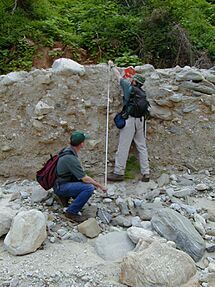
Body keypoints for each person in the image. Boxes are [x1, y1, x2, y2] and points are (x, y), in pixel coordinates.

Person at [107, 60, 150, 182]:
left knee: (123, 147)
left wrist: (112, 66)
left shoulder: (128, 87)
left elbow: (118, 76)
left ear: (135, 81)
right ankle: (146, 173)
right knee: (142, 147)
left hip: (130, 121)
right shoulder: (142, 93)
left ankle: (119, 173)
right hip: (141, 121)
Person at [53, 130, 107, 222]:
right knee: (89, 188)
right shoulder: (71, 158)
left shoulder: (66, 151)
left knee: (83, 183)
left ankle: (65, 198)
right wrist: (99, 186)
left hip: (59, 183)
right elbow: (84, 178)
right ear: (82, 144)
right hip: (61, 186)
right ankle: (71, 212)